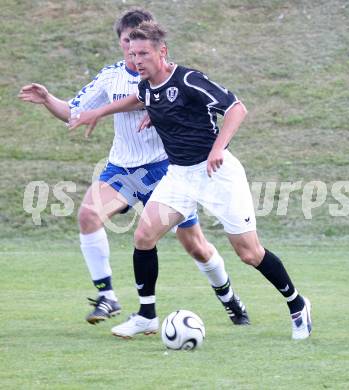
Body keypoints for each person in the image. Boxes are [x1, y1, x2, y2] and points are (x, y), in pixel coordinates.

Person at [69, 21, 312, 340]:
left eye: (143, 53)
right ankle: (146, 316)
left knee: (249, 253)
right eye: (132, 53)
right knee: (144, 236)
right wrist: (100, 112)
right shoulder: (145, 86)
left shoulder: (187, 79)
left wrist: (217, 149)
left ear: (162, 51)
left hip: (217, 174)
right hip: (179, 176)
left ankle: (297, 305)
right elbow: (140, 100)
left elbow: (237, 109)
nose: (137, 59)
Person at [18, 9, 249, 336]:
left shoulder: (165, 73)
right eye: (126, 41)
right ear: (120, 42)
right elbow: (76, 112)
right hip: (123, 168)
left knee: (194, 244)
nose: (132, 49)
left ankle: (228, 297)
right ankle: (107, 296)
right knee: (88, 215)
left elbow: (191, 106)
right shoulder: (110, 76)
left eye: (137, 43)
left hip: (166, 169)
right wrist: (47, 100)